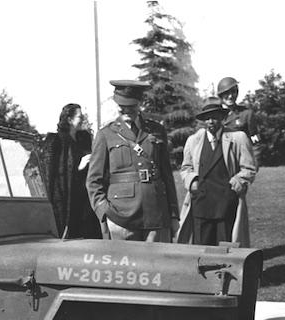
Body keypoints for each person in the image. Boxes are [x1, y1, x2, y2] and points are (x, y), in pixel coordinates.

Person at [86, 80, 179, 242]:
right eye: (122, 106)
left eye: (131, 106)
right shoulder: (105, 135)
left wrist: (173, 214)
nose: (126, 110)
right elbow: (93, 180)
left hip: (155, 213)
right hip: (120, 217)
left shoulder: (156, 131)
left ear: (139, 103)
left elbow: (167, 175)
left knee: (156, 265)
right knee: (123, 266)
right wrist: (103, 211)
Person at [176, 98, 257, 246]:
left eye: (214, 117)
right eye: (207, 118)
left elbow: (250, 168)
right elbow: (186, 168)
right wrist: (192, 181)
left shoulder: (237, 138)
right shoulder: (194, 141)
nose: (211, 121)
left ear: (223, 118)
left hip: (226, 203)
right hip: (201, 202)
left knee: (225, 248)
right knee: (200, 248)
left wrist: (237, 182)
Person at [44, 103, 101, 238]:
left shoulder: (84, 138)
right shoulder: (56, 141)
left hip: (84, 194)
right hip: (67, 198)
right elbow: (54, 174)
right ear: (69, 119)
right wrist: (79, 166)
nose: (82, 119)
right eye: (79, 117)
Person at [217, 76, 261, 163]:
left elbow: (255, 141)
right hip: (219, 163)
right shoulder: (214, 114)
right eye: (226, 93)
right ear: (221, 95)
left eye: (233, 92)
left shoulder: (246, 114)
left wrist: (255, 162)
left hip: (240, 161)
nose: (230, 96)